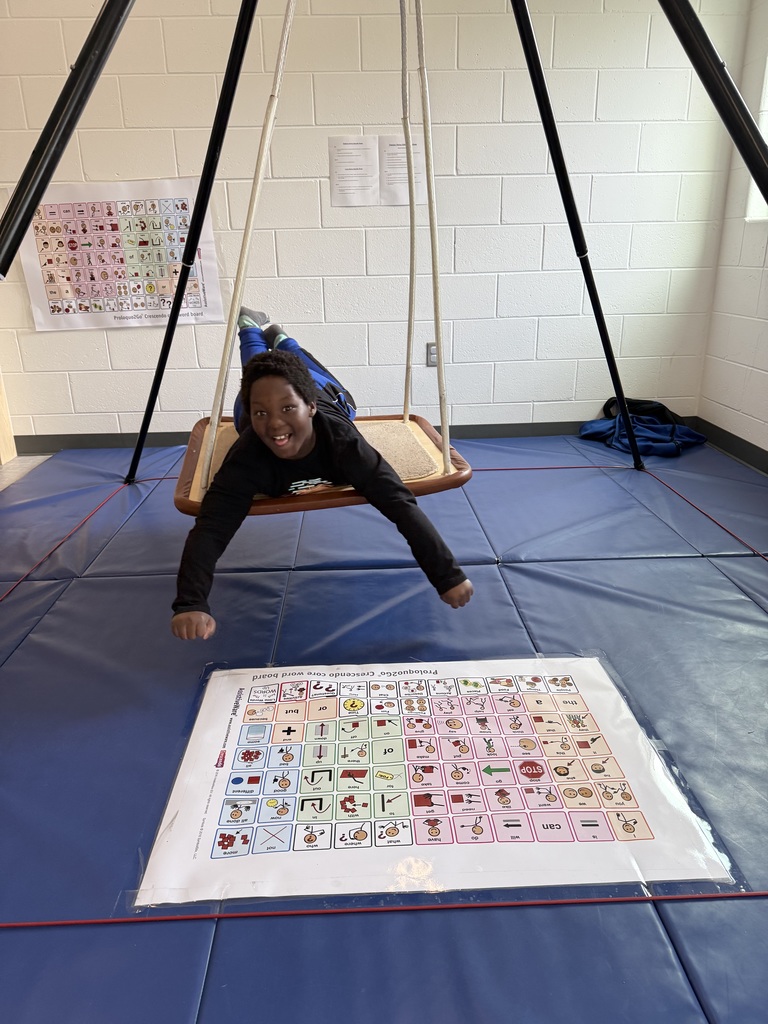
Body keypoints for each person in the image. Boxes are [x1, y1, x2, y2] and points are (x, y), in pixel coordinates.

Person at [171, 310, 474, 640]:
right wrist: (190, 603)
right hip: (264, 404)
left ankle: (281, 337)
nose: (274, 424)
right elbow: (211, 530)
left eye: (288, 409)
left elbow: (401, 507)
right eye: (264, 414)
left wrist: (447, 576)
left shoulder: (345, 446)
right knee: (256, 374)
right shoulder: (247, 459)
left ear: (310, 408)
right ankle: (249, 329)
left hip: (323, 392)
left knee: (296, 361)